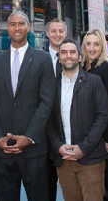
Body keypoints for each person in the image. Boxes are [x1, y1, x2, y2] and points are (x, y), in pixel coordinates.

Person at [0, 10, 56, 200]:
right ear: (8, 28)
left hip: (33, 149)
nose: (17, 28)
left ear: (28, 27)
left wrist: (29, 137)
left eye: (21, 23)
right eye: (13, 24)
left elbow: (46, 102)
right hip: (2, 149)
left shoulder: (43, 59)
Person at [48, 38, 108, 201]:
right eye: (64, 52)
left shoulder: (94, 82)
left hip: (91, 159)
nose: (68, 56)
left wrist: (83, 147)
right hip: (63, 160)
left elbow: (102, 116)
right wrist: (58, 146)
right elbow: (48, 121)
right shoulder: (51, 85)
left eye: (72, 52)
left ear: (80, 57)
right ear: (59, 57)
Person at [81, 28, 108, 201]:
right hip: (85, 137)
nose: (92, 48)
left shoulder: (107, 67)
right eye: (88, 44)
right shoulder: (80, 68)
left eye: (96, 44)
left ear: (102, 47)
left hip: (104, 139)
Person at [45, 18, 68, 200]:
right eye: (54, 31)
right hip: (44, 131)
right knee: (46, 184)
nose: (57, 34)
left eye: (61, 31)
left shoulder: (75, 57)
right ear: (47, 34)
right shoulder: (37, 58)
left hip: (69, 130)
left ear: (66, 34)